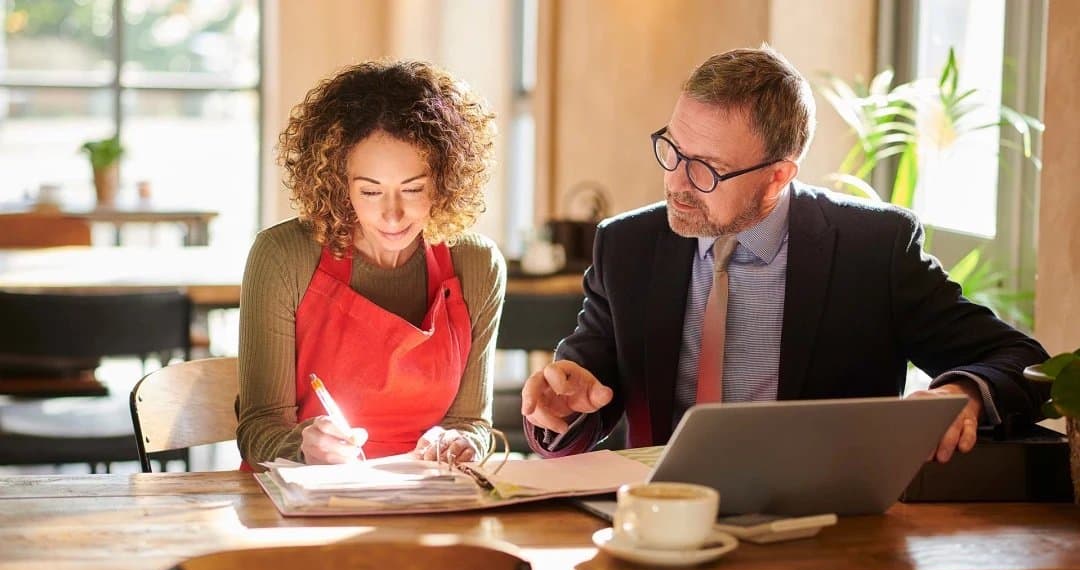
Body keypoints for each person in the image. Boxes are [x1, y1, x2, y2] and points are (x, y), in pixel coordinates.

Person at [522, 45, 1049, 462]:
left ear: (778, 176)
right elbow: (583, 387)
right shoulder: (628, 246)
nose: (676, 183)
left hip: (827, 527)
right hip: (663, 523)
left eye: (705, 168)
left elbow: (1023, 363)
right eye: (672, 150)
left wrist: (965, 392)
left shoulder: (871, 250)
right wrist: (560, 406)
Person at [237, 59, 504, 471]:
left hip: (430, 499)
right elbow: (257, 429)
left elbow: (472, 422)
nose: (392, 215)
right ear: (339, 185)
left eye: (413, 189)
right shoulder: (282, 256)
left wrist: (461, 441)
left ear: (445, 181)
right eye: (371, 191)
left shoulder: (476, 265)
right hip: (307, 502)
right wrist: (302, 445)